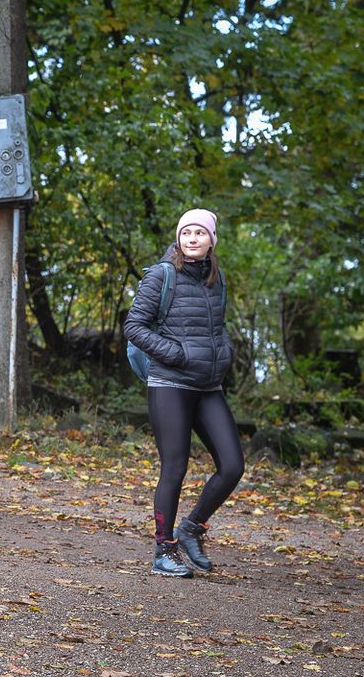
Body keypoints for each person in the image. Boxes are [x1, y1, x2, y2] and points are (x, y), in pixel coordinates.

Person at [123, 208, 244, 577]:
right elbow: (134, 325)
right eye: (186, 232)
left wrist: (223, 353)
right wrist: (175, 353)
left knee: (232, 466)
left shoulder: (216, 278)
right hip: (170, 384)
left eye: (200, 233)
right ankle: (164, 550)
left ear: (211, 240)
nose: (192, 238)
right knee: (175, 467)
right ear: (179, 238)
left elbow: (218, 327)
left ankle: (191, 528)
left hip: (208, 384)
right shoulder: (162, 275)